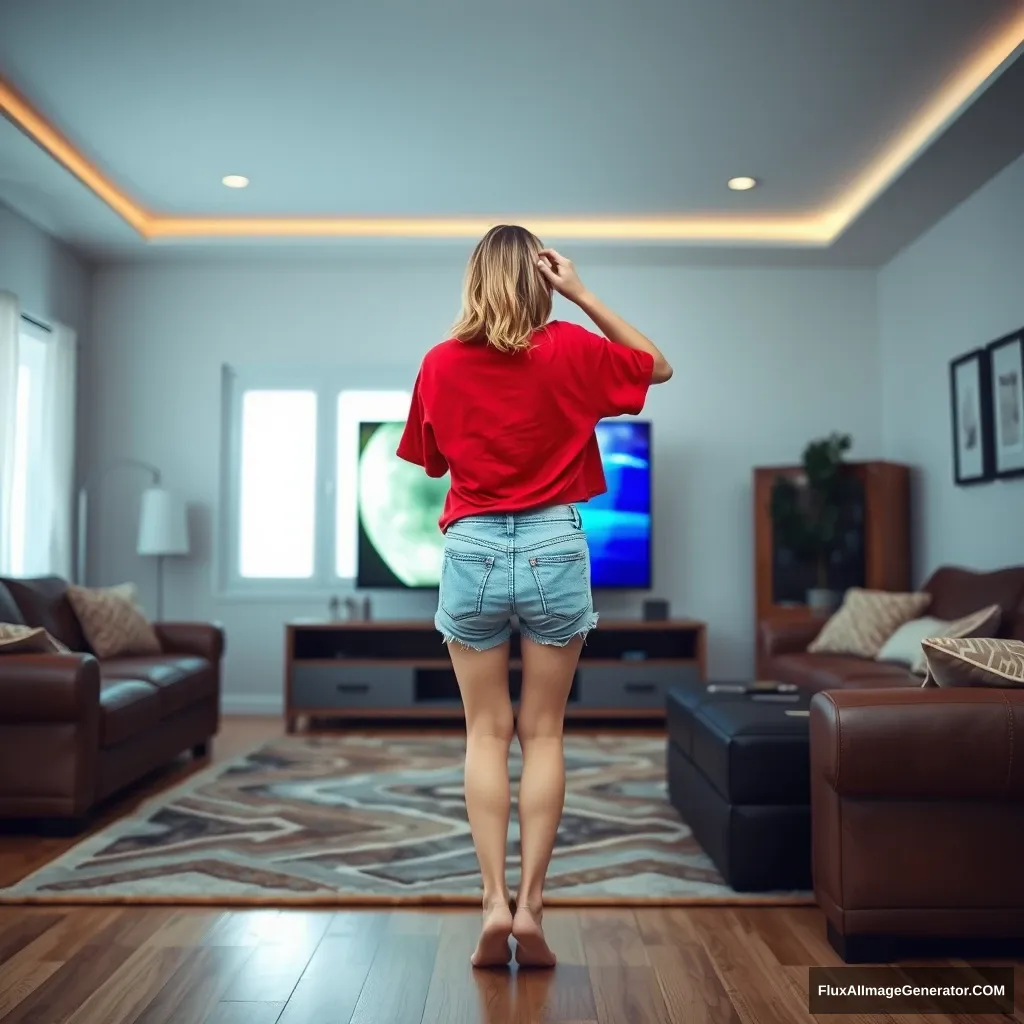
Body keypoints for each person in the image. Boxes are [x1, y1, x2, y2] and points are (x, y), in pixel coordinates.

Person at [397, 225, 672, 968]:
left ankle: (490, 901)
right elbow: (659, 367)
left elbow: (429, 464)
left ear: (474, 280)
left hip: (474, 545)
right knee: (542, 733)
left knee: (486, 733)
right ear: (539, 279)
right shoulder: (573, 349)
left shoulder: (438, 362)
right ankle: (531, 908)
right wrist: (580, 293)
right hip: (556, 543)